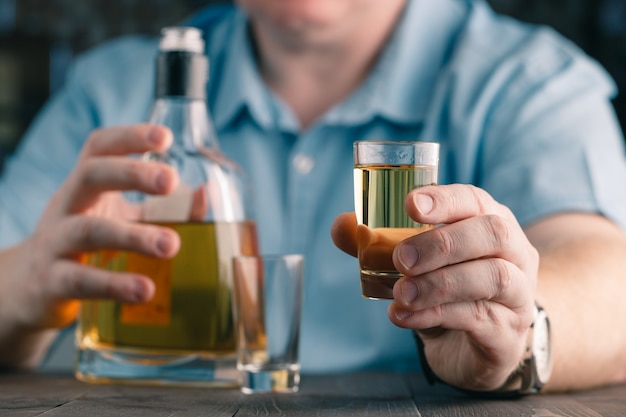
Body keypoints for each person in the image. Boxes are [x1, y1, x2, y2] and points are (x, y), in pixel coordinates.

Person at [2, 0, 626, 394]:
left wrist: (517, 337)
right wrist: (23, 291)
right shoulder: (111, 90)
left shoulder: (528, 81)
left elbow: (610, 279)